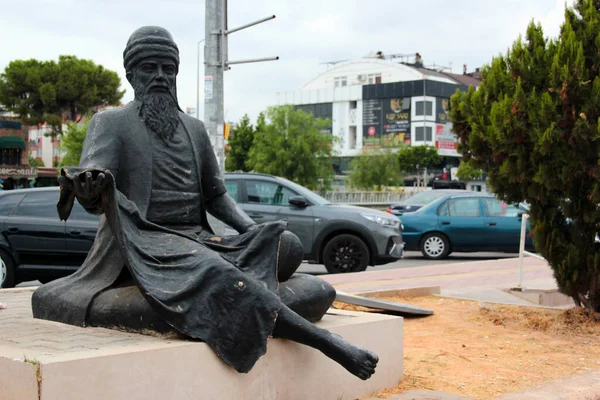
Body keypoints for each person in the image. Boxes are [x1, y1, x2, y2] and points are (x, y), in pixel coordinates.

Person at [31, 26, 377, 380]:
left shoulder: (193, 129)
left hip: (200, 238)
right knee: (218, 272)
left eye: (169, 69)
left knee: (289, 250)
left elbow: (216, 196)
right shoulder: (111, 122)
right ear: (132, 74)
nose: (161, 77)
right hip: (144, 243)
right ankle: (324, 340)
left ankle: (232, 303)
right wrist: (90, 188)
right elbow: (94, 178)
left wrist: (255, 233)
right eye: (150, 68)